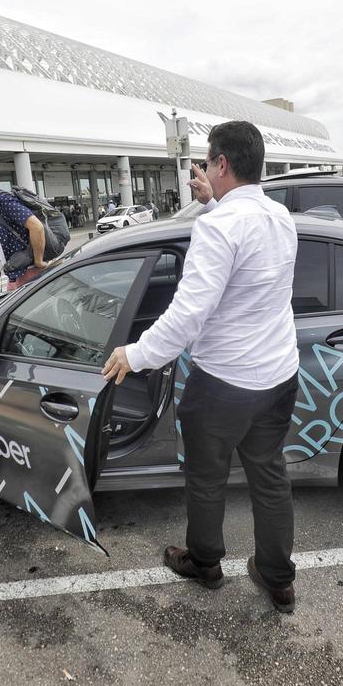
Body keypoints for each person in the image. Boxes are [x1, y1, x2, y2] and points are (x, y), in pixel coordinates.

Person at [101, 121, 301, 614]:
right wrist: (212, 200)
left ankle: (206, 563)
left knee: (207, 479)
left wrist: (136, 354)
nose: (208, 168)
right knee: (270, 477)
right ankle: (278, 579)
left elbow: (188, 313)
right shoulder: (280, 217)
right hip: (278, 375)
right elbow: (244, 254)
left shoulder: (218, 228)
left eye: (210, 161)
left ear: (222, 164)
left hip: (225, 383)